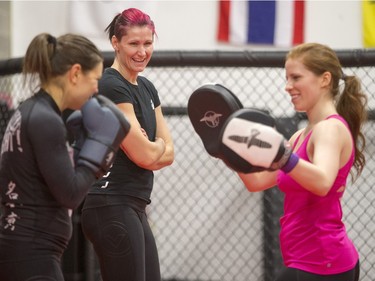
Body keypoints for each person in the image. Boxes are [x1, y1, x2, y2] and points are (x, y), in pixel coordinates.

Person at [0, 33, 130, 281]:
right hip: (33, 257)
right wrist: (100, 147)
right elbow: (70, 194)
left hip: (23, 250)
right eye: (94, 79)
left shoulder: (28, 111)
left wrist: (83, 150)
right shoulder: (45, 120)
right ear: (75, 73)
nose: (96, 89)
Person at [236, 43, 367, 281]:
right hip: (307, 261)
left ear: (324, 79)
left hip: (323, 263)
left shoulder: (329, 129)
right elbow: (256, 182)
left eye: (296, 77)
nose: (288, 87)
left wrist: (283, 157)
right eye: (287, 78)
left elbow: (322, 181)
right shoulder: (300, 136)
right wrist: (226, 150)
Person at [80, 8, 174, 281]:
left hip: (134, 205)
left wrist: (152, 146)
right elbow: (146, 156)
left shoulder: (146, 88)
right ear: (115, 43)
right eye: (133, 43)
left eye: (148, 43)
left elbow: (170, 153)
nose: (142, 51)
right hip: (110, 203)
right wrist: (155, 147)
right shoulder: (111, 85)